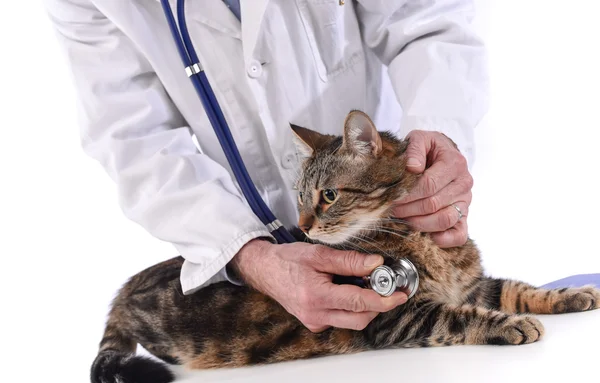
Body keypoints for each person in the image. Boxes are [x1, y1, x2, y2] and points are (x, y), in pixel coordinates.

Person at [44, 0, 488, 333]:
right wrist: (246, 253)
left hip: (394, 222)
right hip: (259, 278)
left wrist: (438, 136)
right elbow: (132, 136)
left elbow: (428, 22)